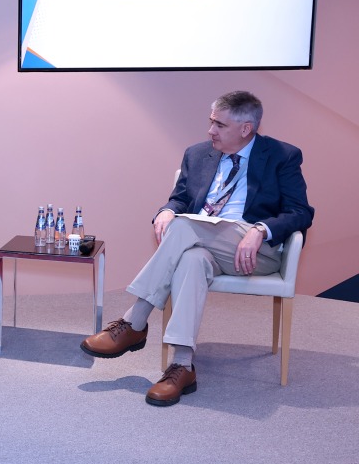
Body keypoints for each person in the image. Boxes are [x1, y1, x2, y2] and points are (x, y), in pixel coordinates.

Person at [81, 91, 314, 406]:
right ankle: (182, 364)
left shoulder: (282, 156)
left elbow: (300, 212)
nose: (211, 131)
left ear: (246, 128)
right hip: (201, 244)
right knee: (191, 259)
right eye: (211, 121)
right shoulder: (197, 154)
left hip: (253, 251)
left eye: (220, 124)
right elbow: (180, 199)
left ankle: (134, 322)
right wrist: (166, 209)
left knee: (183, 227)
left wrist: (261, 229)